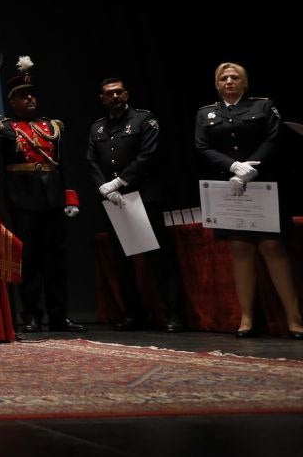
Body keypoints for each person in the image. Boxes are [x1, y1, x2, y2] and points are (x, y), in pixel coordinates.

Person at [195, 62, 303, 339]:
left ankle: (294, 317)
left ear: (244, 83)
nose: (229, 81)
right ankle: (247, 317)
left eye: (234, 77)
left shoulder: (263, 106)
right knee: (240, 249)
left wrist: (253, 166)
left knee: (272, 247)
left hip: (263, 183)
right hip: (229, 187)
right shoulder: (206, 112)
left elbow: (275, 137)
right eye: (223, 78)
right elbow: (202, 146)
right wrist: (233, 166)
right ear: (217, 84)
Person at [0, 56, 84, 334]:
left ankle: (59, 315)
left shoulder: (53, 127)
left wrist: (70, 197)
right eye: (23, 97)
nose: (30, 100)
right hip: (23, 198)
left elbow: (65, 165)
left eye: (32, 96)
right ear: (12, 102)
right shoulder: (6, 128)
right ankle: (32, 314)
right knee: (29, 260)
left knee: (56, 260)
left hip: (53, 197)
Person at [87, 78, 185, 332]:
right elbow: (91, 161)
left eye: (119, 92)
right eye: (109, 93)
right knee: (123, 260)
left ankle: (173, 313)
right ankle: (133, 313)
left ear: (127, 94)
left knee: (158, 257)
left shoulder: (144, 120)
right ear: (102, 99)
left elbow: (149, 155)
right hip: (114, 200)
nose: (115, 96)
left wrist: (119, 181)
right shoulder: (97, 128)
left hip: (144, 195)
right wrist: (104, 188)